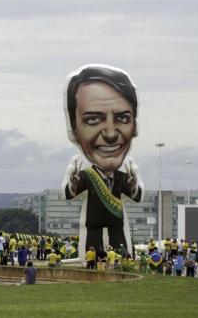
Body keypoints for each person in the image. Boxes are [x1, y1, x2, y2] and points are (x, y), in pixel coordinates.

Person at [61, 65, 144, 264]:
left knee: (121, 248)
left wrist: (134, 182)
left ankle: (123, 262)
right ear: (73, 129)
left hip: (117, 222)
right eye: (93, 119)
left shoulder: (123, 175)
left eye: (123, 118)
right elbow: (67, 193)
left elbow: (137, 195)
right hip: (93, 223)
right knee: (92, 250)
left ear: (134, 126)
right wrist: (71, 176)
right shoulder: (87, 174)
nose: (110, 133)